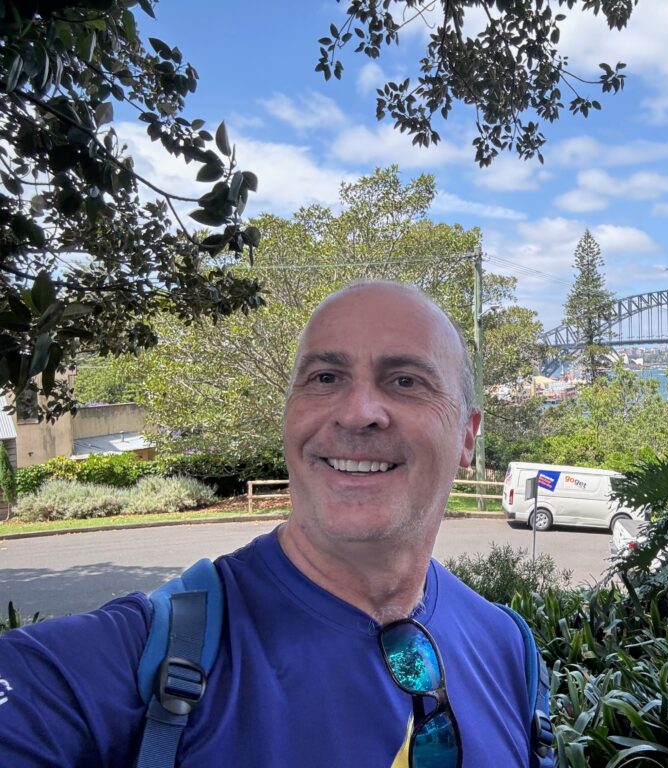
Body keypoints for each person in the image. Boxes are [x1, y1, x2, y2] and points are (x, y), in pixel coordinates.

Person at [0, 281, 537, 767]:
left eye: (405, 380)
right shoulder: (133, 659)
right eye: (325, 377)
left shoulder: (508, 648)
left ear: (468, 436)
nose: (358, 412)